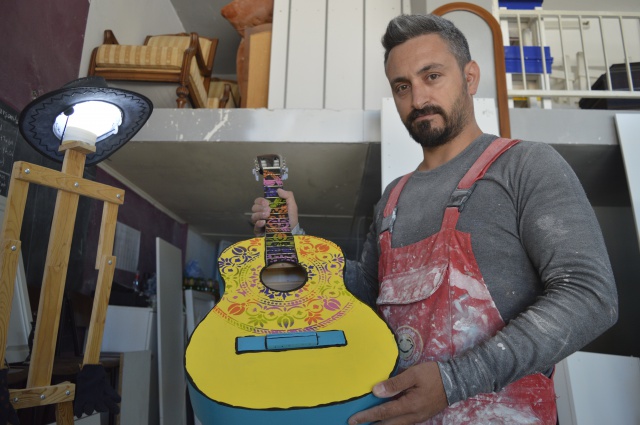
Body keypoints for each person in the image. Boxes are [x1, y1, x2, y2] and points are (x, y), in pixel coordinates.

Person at [251, 14, 618, 425]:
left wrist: (454, 381)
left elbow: (591, 297)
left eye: (432, 76)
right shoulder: (392, 198)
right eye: (402, 86)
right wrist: (293, 236)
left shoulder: (525, 165)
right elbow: (363, 298)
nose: (418, 98)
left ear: (470, 77)